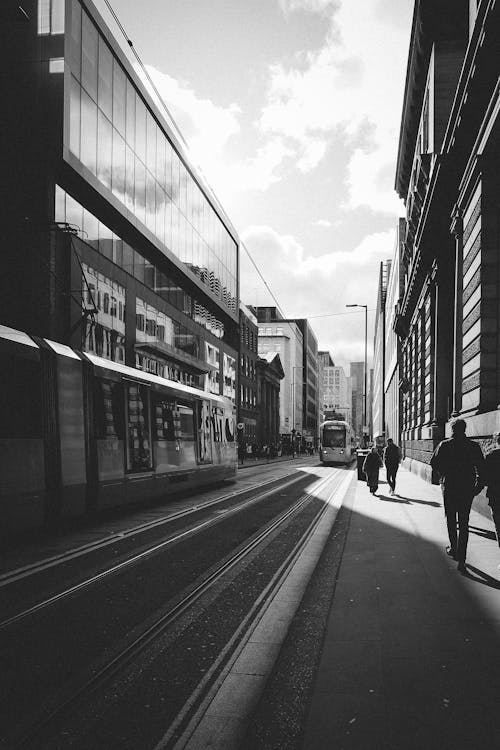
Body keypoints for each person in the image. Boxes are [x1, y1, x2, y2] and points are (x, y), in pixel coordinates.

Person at [430, 418, 485, 573]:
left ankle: (454, 548)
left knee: (451, 519)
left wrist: (443, 475)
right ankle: (462, 559)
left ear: (453, 429)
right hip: (467, 488)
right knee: (464, 522)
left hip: (450, 486)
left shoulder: (445, 445)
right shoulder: (473, 446)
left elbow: (433, 462)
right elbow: (481, 467)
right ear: (464, 429)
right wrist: (478, 486)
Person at [482, 431, 500, 567]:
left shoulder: (491, 456)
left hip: (496, 495)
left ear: (496, 440)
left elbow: (485, 478)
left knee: (499, 527)